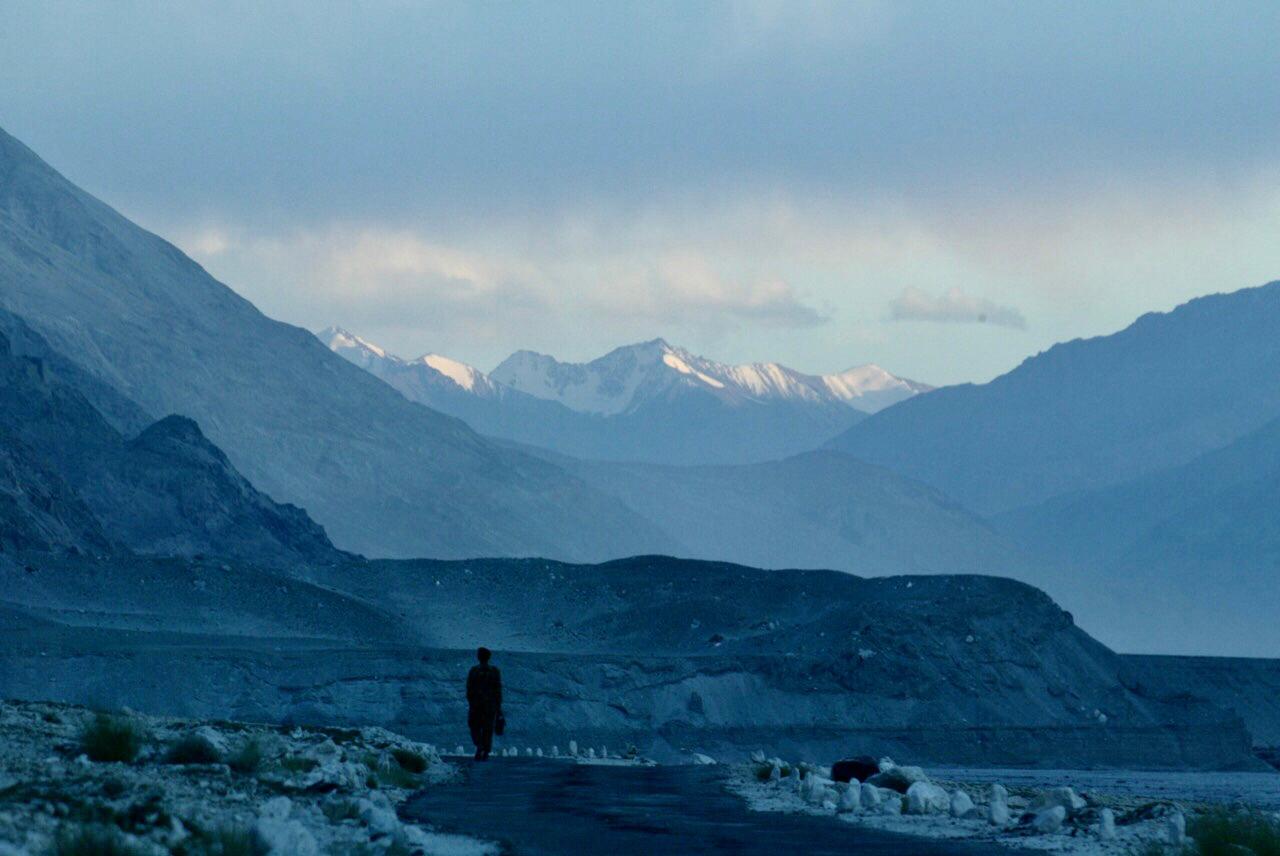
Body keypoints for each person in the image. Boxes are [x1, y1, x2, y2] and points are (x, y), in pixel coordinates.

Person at [466, 646, 502, 760]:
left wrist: (471, 702)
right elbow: (498, 689)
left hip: (476, 705)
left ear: (479, 657)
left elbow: (469, 689)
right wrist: (498, 706)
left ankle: (479, 745)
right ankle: (485, 751)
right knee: (488, 728)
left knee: (474, 726)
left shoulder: (474, 671)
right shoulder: (494, 671)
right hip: (490, 705)